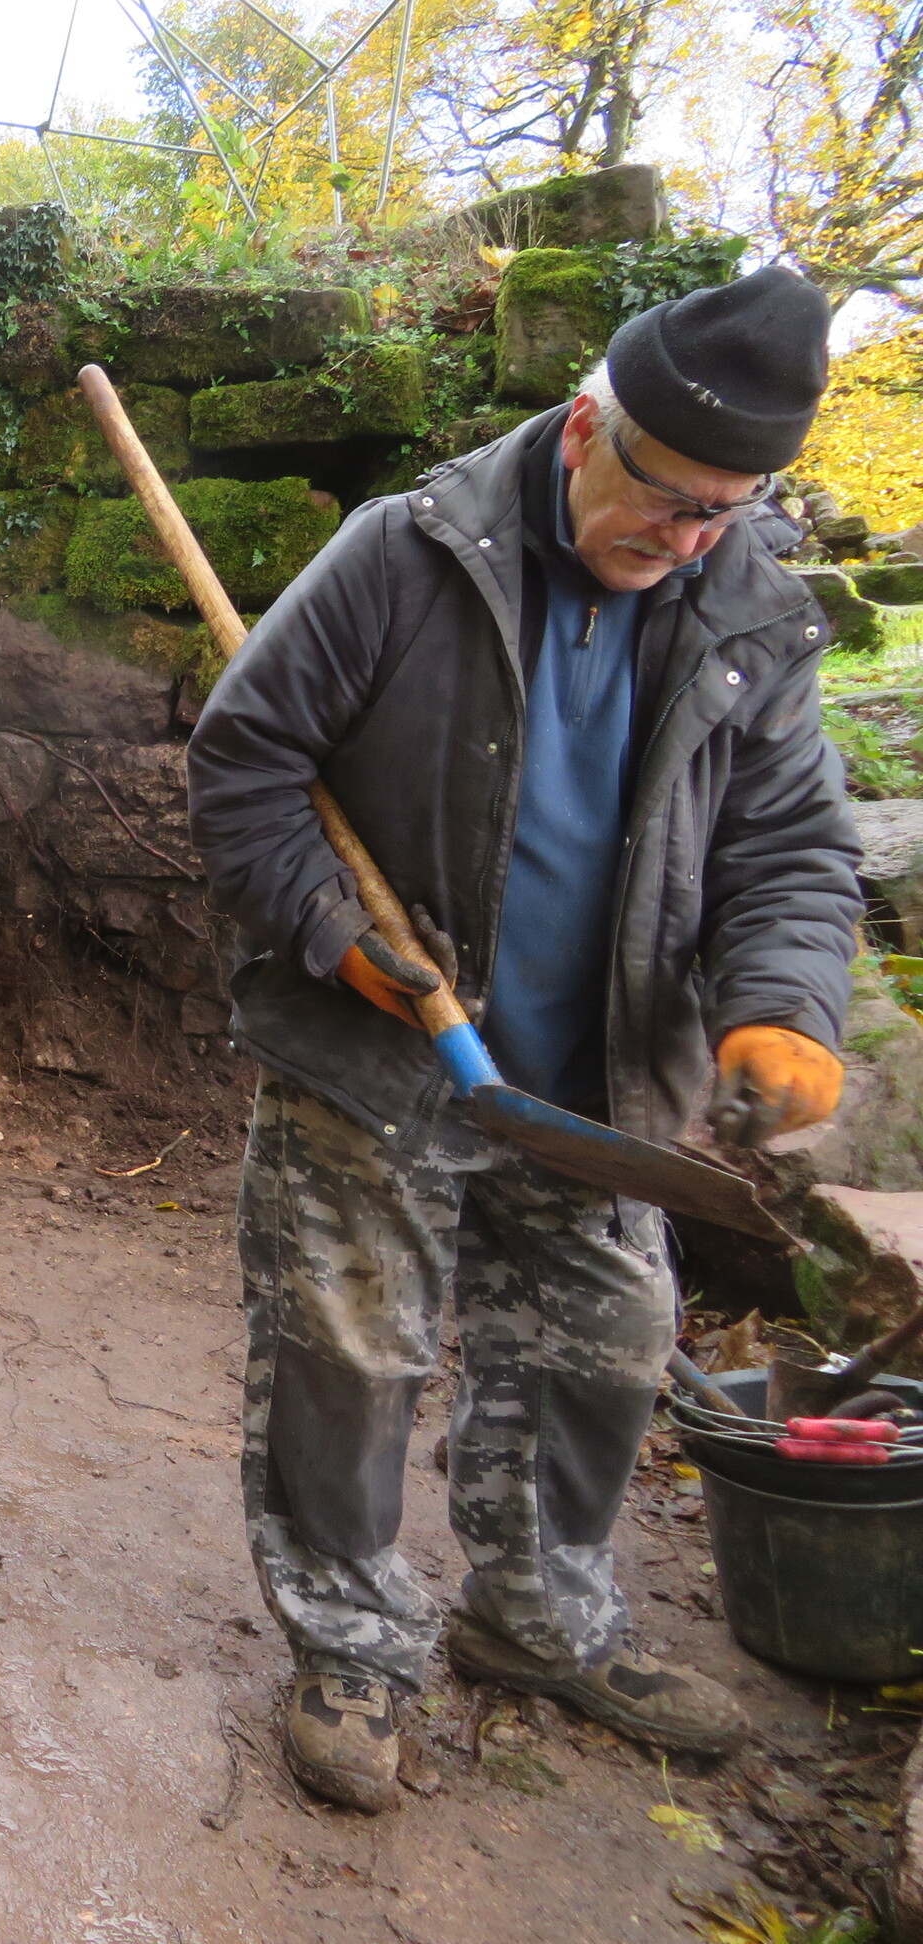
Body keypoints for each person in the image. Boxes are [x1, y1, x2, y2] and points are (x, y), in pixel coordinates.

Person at [185, 265, 861, 1812]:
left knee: (606, 1349)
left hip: (599, 1082)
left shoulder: (755, 614)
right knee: (350, 1353)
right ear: (581, 428)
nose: (685, 540)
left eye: (723, 514)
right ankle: (353, 1645)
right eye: (666, 498)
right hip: (379, 1061)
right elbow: (244, 765)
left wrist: (783, 1010)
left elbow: (791, 853)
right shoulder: (408, 556)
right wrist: (336, 936)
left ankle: (537, 1615)